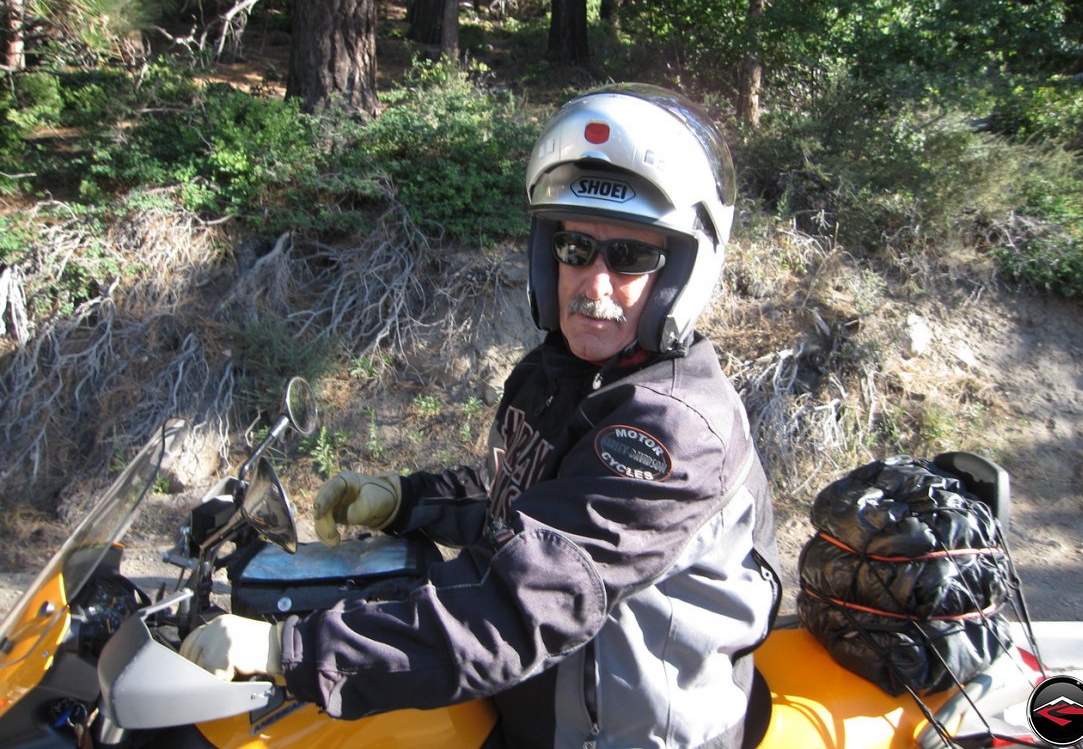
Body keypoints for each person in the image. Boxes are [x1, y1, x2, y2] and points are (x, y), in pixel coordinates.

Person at [182, 83, 782, 748]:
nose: (594, 281)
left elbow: (519, 602)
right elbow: (524, 503)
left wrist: (289, 650)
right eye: (576, 247)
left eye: (631, 255)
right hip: (533, 708)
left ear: (679, 275)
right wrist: (402, 499)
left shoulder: (668, 434)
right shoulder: (560, 374)